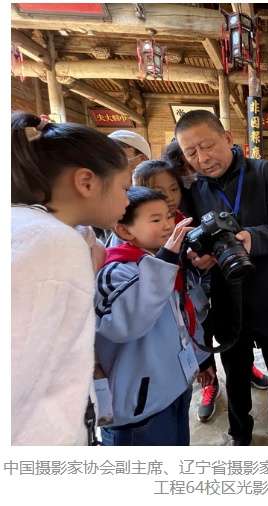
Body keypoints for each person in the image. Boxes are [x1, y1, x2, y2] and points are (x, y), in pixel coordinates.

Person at [175, 110, 268, 445]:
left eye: (207, 145)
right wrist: (199, 258)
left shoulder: (264, 172)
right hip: (229, 302)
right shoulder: (195, 191)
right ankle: (240, 436)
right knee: (236, 382)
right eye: (191, 153)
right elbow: (190, 243)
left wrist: (252, 239)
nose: (202, 158)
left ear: (227, 138)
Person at [11, 112, 132, 445]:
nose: (127, 199)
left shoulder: (36, 230)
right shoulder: (51, 243)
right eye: (124, 187)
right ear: (87, 182)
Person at [132, 159, 268, 424]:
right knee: (192, 356)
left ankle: (231, 369)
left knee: (212, 341)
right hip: (171, 314)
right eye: (161, 192)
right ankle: (209, 384)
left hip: (202, 304)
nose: (171, 198)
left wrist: (210, 257)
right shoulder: (140, 236)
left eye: (174, 189)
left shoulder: (188, 221)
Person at [94, 186, 215, 445]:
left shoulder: (165, 262)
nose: (168, 225)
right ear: (124, 230)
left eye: (169, 216)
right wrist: (165, 261)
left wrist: (201, 360)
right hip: (140, 409)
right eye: (155, 219)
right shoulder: (114, 271)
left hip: (174, 389)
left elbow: (184, 317)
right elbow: (126, 325)